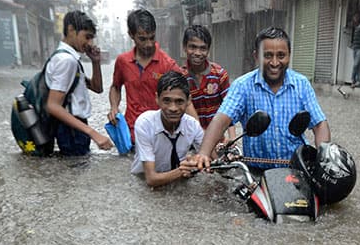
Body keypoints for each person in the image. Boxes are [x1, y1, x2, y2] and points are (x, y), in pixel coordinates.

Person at [195, 26, 330, 170]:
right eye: (267, 55)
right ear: (256, 56)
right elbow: (221, 120)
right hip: (256, 173)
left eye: (281, 55)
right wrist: (203, 153)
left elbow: (319, 124)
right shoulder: (242, 86)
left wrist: (324, 158)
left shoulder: (301, 84)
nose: (274, 63)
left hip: (295, 170)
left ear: (289, 55)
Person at [109, 9, 195, 142]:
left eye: (152, 38)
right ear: (131, 35)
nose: (148, 44)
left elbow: (185, 99)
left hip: (161, 135)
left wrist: (198, 133)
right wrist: (114, 107)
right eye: (142, 39)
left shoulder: (168, 65)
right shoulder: (123, 62)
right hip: (132, 134)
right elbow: (115, 87)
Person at [45, 10, 113, 156]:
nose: (90, 43)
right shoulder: (66, 61)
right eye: (87, 37)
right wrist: (94, 133)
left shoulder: (69, 59)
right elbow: (53, 105)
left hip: (73, 128)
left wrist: (95, 62)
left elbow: (97, 88)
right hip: (71, 131)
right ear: (71, 30)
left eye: (92, 38)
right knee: (76, 173)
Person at [131, 70, 204, 187]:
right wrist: (182, 170)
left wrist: (197, 161)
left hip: (176, 179)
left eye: (179, 101)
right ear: (157, 98)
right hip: (142, 181)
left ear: (189, 101)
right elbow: (151, 179)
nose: (173, 108)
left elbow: (210, 156)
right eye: (167, 101)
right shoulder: (145, 123)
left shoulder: (193, 125)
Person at [182, 24, 234, 139]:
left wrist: (232, 140)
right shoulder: (180, 78)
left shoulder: (220, 75)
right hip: (189, 140)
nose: (197, 53)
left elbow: (229, 109)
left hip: (217, 139)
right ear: (184, 47)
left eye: (202, 48)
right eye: (192, 47)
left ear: (208, 50)